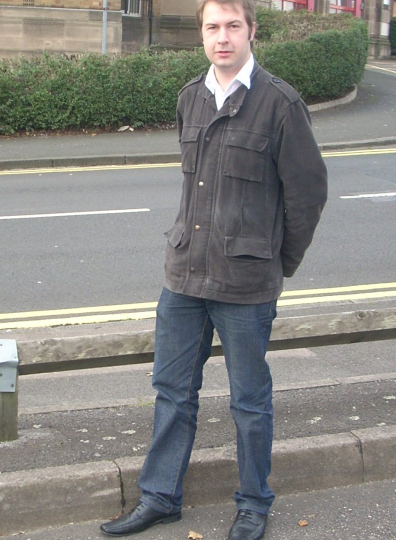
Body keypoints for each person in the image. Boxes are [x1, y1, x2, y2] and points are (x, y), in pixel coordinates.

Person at [100, 1, 327, 538]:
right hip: (184, 276)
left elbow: (308, 195)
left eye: (232, 26)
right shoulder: (190, 98)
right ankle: (160, 497)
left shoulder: (280, 104)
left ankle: (253, 503)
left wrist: (277, 261)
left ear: (252, 31)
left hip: (246, 284)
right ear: (202, 35)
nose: (222, 37)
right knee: (172, 391)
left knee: (249, 401)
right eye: (212, 27)